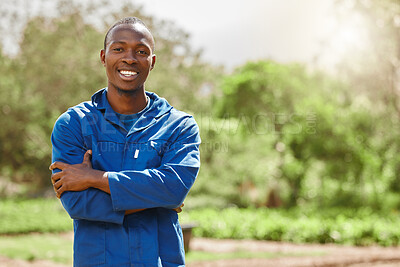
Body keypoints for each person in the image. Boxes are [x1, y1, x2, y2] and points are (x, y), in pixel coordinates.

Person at [49, 17, 201, 267]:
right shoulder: (72, 124)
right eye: (118, 49)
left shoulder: (179, 126)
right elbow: (78, 203)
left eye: (141, 51)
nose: (129, 58)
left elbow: (174, 189)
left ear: (152, 62)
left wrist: (95, 178)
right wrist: (156, 197)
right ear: (103, 57)